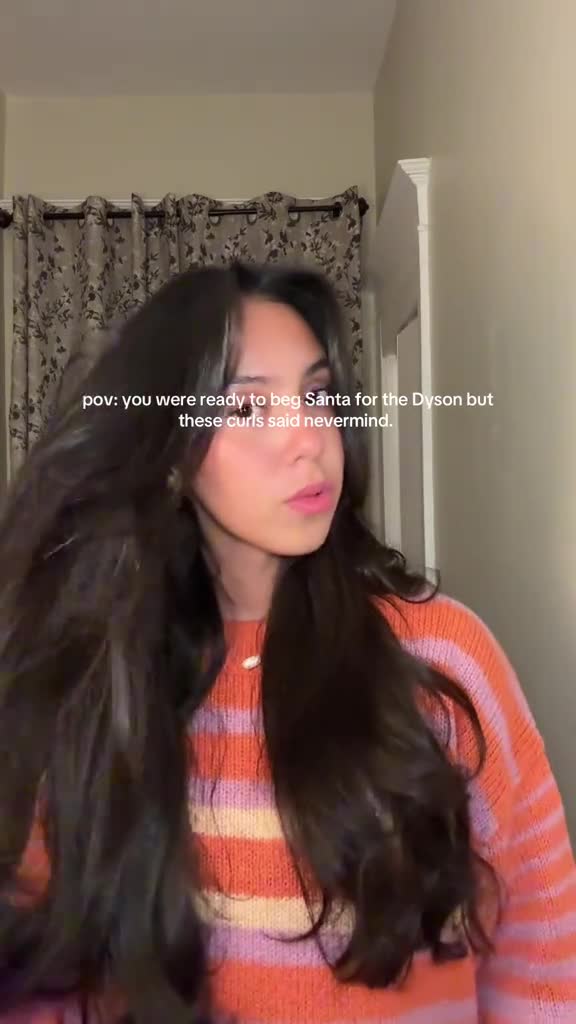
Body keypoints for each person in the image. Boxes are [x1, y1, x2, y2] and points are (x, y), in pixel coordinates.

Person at [0, 260, 574, 1024]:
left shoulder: (441, 657)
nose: (308, 439)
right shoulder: (101, 683)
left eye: (317, 394)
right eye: (248, 408)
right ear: (171, 456)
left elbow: (544, 957)